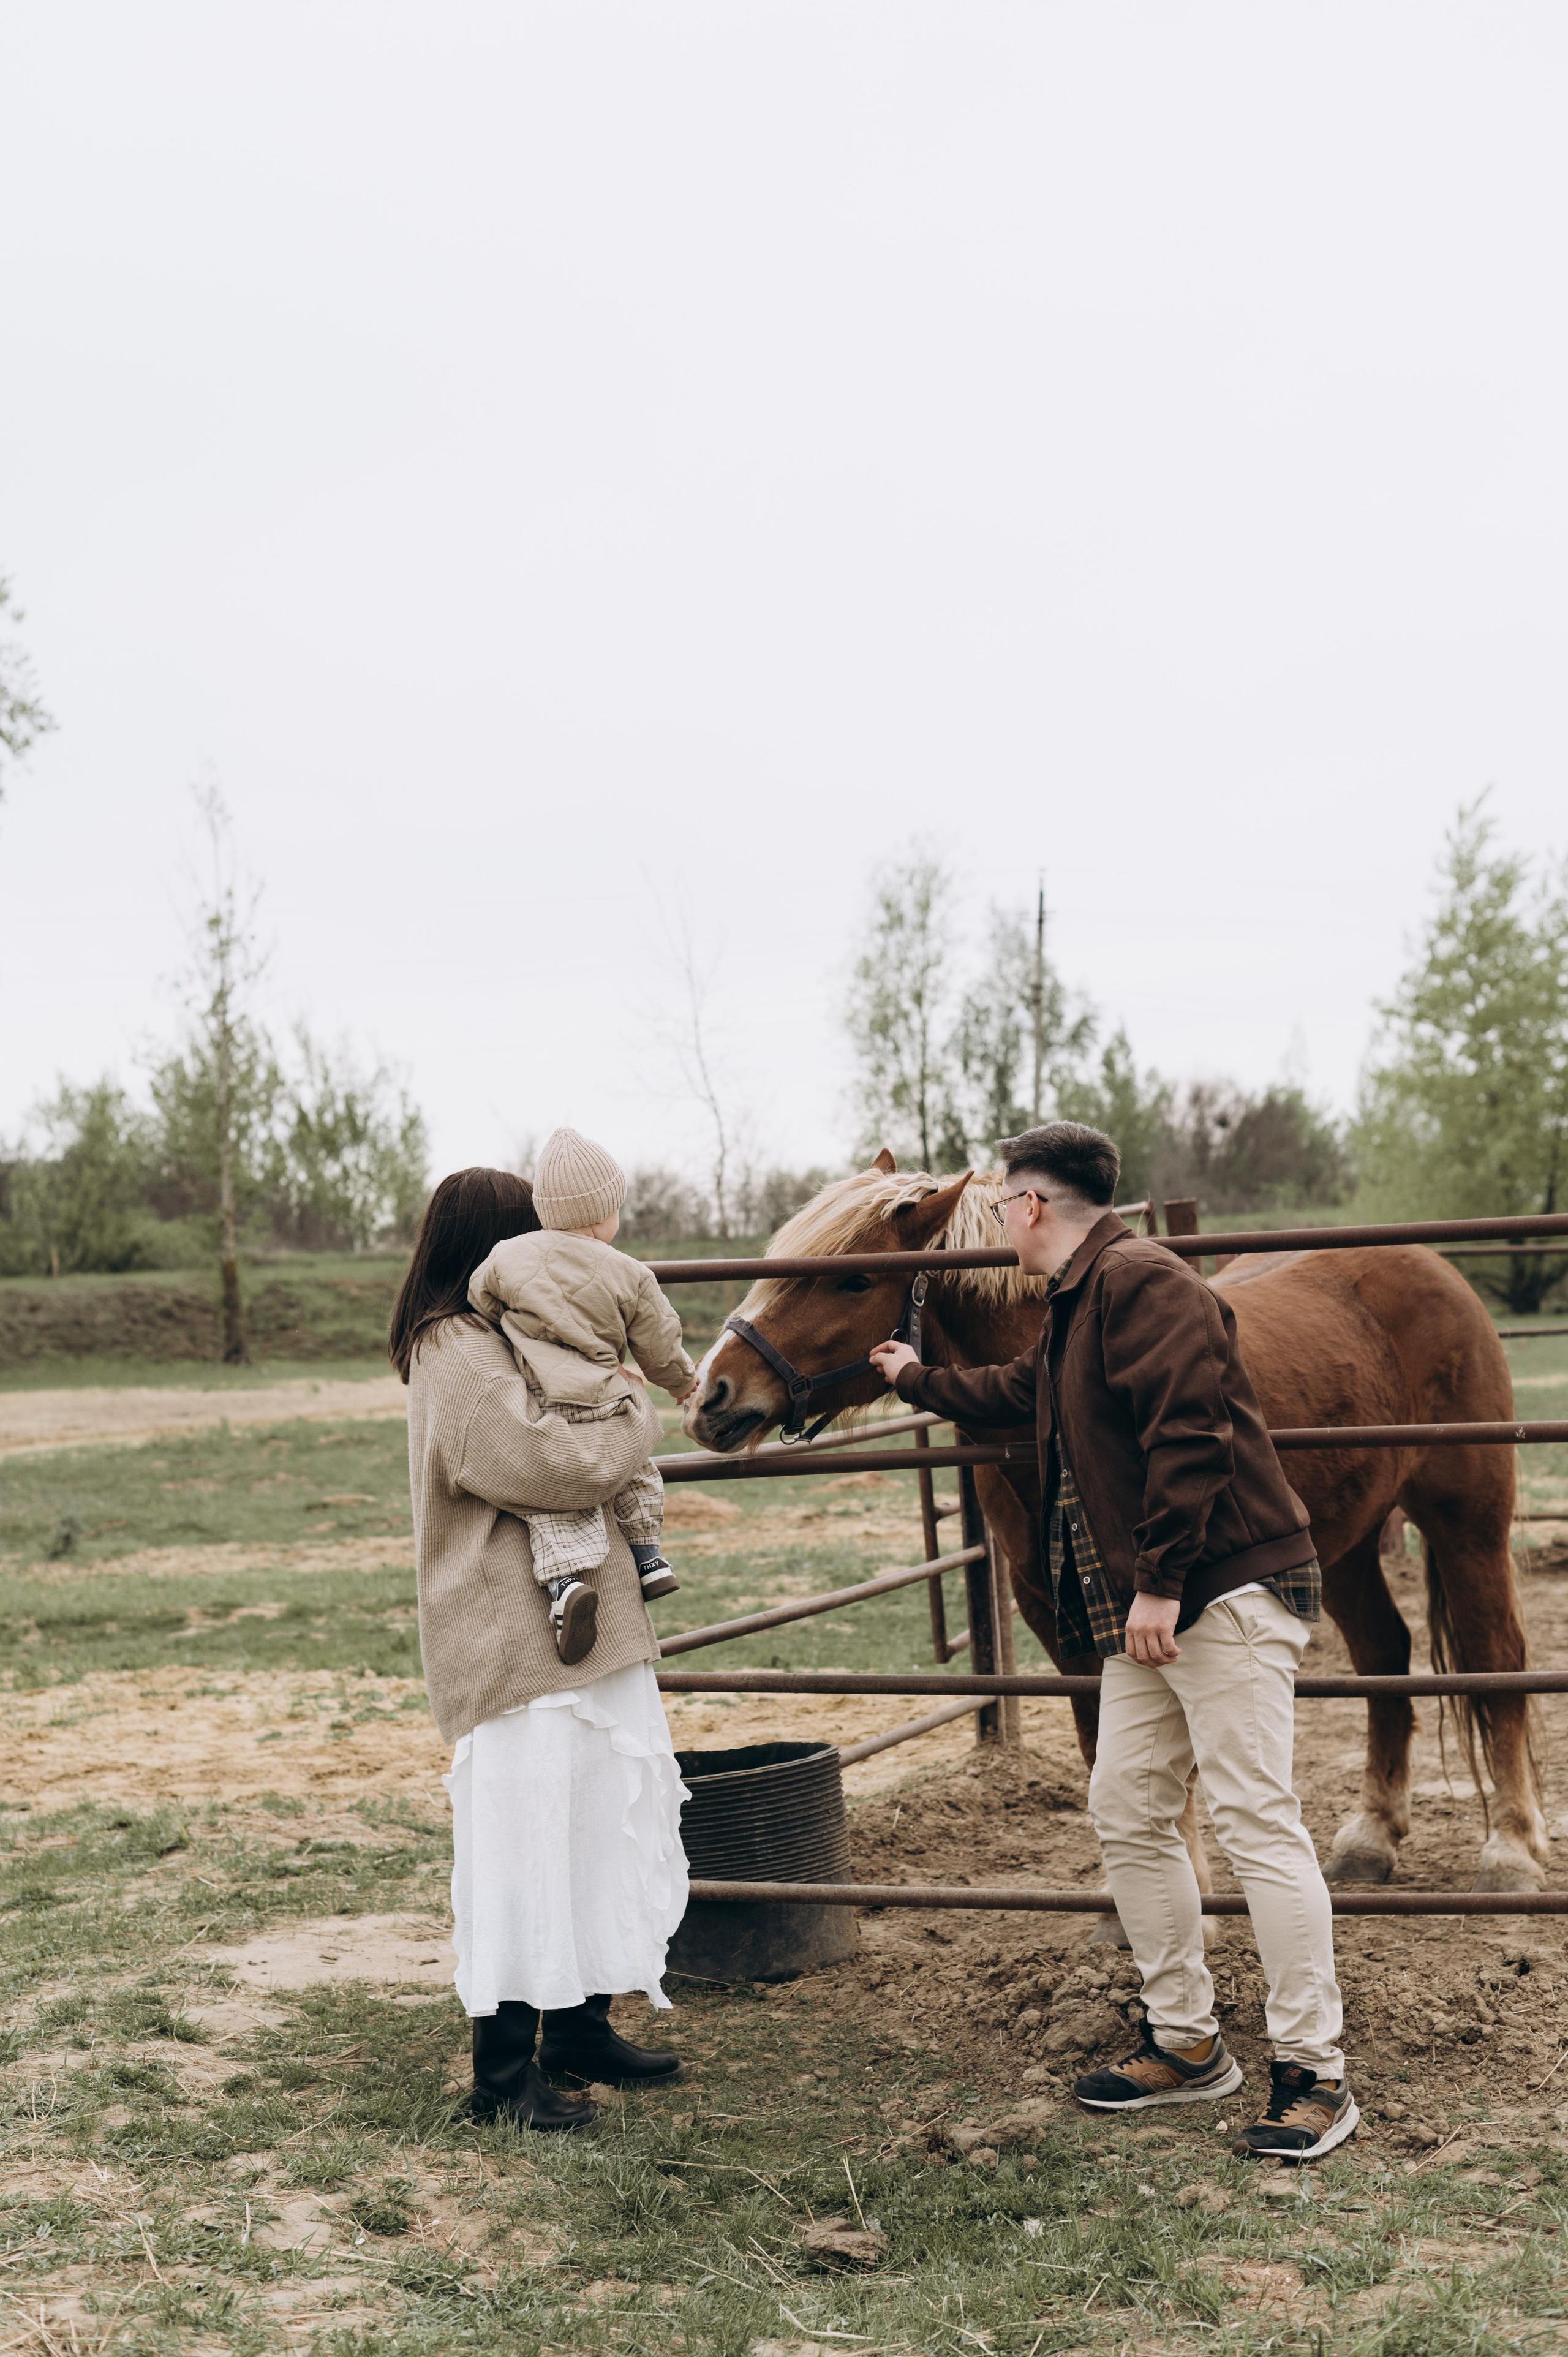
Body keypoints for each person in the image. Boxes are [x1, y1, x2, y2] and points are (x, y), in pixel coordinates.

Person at [869, 1122, 1357, 2165]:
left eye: (1004, 1202)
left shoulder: (1147, 1281)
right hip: (1161, 1607)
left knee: (1255, 1818)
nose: (1000, 1219)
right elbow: (1025, 1394)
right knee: (1128, 1804)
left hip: (1217, 1591)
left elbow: (1192, 1433)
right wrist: (916, 1378)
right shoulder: (1081, 1299)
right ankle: (1186, 2041)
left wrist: (1160, 1581)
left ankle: (1315, 2071)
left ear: (1034, 1205)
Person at [391, 1165, 689, 2132]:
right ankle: (502, 2075)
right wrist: (635, 1407)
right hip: (511, 1640)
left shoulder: (509, 1335)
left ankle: (577, 2024)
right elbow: (554, 1464)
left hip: (573, 1638)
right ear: (495, 1246)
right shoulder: (454, 1350)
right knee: (526, 1841)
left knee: (591, 1822)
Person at [468, 1127, 699, 1664]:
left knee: (554, 1500)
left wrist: (516, 1332)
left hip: (547, 1398)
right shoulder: (631, 1274)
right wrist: (684, 1386)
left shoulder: (506, 1256)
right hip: (608, 1396)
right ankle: (649, 1558)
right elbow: (659, 1347)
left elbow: (481, 1301)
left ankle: (564, 1585)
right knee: (635, 1470)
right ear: (603, 1214)